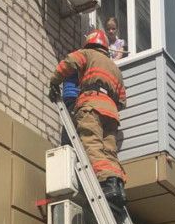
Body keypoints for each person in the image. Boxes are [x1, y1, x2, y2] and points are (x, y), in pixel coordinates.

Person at [48, 29, 127, 209]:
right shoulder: (115, 68)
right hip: (111, 113)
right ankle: (117, 187)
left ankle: (106, 184)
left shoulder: (87, 54)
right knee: (109, 151)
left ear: (90, 43)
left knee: (92, 144)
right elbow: (122, 100)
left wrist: (54, 82)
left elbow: (68, 63)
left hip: (91, 105)